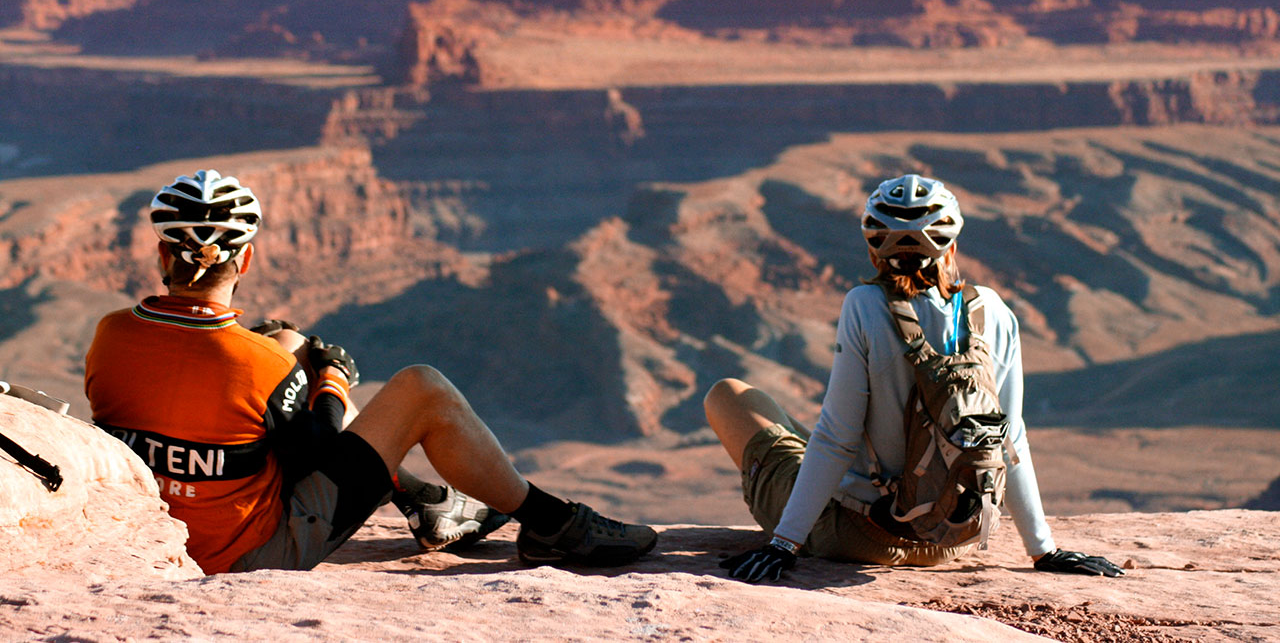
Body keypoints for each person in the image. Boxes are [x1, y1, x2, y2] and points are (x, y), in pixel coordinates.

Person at [84, 169, 657, 574]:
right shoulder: (257, 365)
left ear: (162, 257)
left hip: (159, 527)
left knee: (286, 339)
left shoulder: (111, 334)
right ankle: (551, 525)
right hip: (243, 555)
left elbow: (207, 383)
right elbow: (322, 454)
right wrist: (332, 378)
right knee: (421, 387)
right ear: (247, 258)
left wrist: (291, 357)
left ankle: (431, 501)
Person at [705, 174, 1123, 582]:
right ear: (952, 246)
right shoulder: (994, 310)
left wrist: (785, 543)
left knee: (732, 396)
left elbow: (837, 436)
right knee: (800, 433)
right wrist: (1044, 549)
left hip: (864, 536)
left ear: (874, 253)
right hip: (956, 538)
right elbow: (1009, 439)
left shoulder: (865, 306)